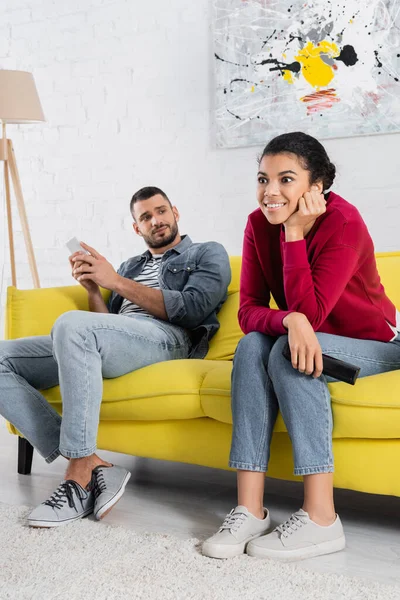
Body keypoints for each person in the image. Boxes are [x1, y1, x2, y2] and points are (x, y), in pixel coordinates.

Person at [202, 132, 400, 561]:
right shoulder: (257, 224)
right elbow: (250, 311)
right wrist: (287, 319)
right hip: (311, 335)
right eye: (263, 179)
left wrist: (294, 232)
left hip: (377, 344)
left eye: (285, 179)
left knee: (284, 353)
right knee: (254, 344)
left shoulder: (344, 221)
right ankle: (250, 508)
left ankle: (322, 517)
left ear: (317, 186)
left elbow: (312, 311)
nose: (270, 192)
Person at [0, 186, 231, 528]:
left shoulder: (206, 253)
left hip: (169, 340)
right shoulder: (130, 266)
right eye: (146, 217)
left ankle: (78, 479)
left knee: (72, 325)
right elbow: (105, 324)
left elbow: (193, 310)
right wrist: (94, 288)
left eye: (161, 211)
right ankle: (91, 461)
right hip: (118, 338)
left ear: (176, 212)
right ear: (137, 228)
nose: (157, 220)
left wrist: (116, 281)